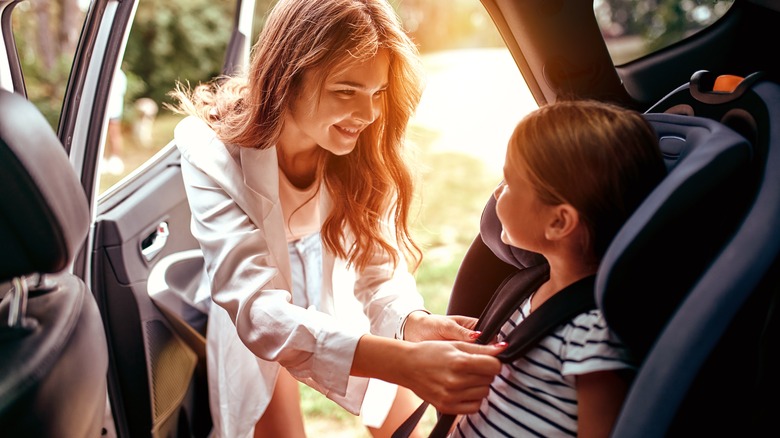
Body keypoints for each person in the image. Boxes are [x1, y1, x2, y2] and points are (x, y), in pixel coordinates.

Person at [168, 0, 506, 437]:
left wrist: (412, 323)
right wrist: (404, 361)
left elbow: (379, 269)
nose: (368, 116)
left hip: (334, 267)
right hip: (257, 291)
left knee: (399, 421)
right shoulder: (210, 151)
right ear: (288, 76)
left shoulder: (366, 149)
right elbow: (257, 310)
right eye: (346, 91)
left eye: (377, 93)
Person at [452, 100, 667, 437]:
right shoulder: (529, 287)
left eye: (508, 182)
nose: (497, 191)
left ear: (558, 221)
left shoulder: (592, 334)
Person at [103, 68, 126, 175]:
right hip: (108, 110)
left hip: (113, 110)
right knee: (103, 137)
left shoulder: (118, 75)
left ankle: (116, 160)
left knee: (113, 135)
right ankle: (103, 160)